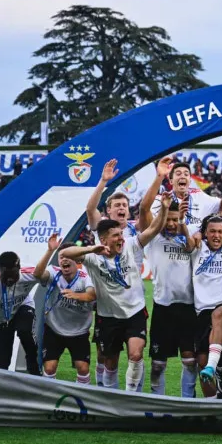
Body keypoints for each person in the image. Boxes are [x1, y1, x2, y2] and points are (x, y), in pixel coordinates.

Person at [62, 191, 171, 392]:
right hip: (108, 316)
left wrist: (164, 208)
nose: (121, 238)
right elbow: (64, 253)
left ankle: (132, 396)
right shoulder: (94, 257)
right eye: (116, 236)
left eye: (121, 235)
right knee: (109, 363)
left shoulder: (131, 245)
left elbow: (154, 229)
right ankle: (111, 397)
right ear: (104, 240)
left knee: (136, 355)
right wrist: (89, 250)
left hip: (135, 312)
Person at [139, 159, 199, 397]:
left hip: (187, 307)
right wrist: (159, 178)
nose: (172, 224)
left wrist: (182, 223)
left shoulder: (186, 238)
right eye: (169, 220)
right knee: (157, 364)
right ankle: (158, 402)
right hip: (162, 307)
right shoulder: (153, 238)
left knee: (190, 360)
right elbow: (144, 210)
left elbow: (193, 246)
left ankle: (188, 402)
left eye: (176, 220)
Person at [86, 157, 144, 388]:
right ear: (108, 211)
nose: (122, 209)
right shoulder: (101, 228)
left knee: (136, 353)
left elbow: (150, 213)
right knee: (106, 357)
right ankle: (105, 390)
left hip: (132, 296)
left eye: (124, 206)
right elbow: (90, 209)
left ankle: (134, 395)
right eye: (117, 205)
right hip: (107, 299)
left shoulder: (134, 229)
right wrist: (103, 182)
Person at [184, 214, 222, 397]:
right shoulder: (197, 248)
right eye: (212, 232)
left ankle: (215, 366)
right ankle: (214, 403)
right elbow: (185, 235)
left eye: (221, 232)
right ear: (205, 233)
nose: (216, 235)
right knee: (201, 361)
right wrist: (196, 234)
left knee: (218, 315)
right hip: (202, 310)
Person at [33, 234, 97, 384]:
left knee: (83, 368)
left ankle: (81, 398)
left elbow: (91, 295)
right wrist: (50, 251)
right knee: (49, 368)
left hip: (79, 331)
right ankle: (49, 397)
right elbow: (37, 274)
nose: (64, 259)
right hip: (54, 330)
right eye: (61, 256)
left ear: (77, 260)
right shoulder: (53, 272)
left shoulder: (85, 277)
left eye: (68, 256)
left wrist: (76, 295)